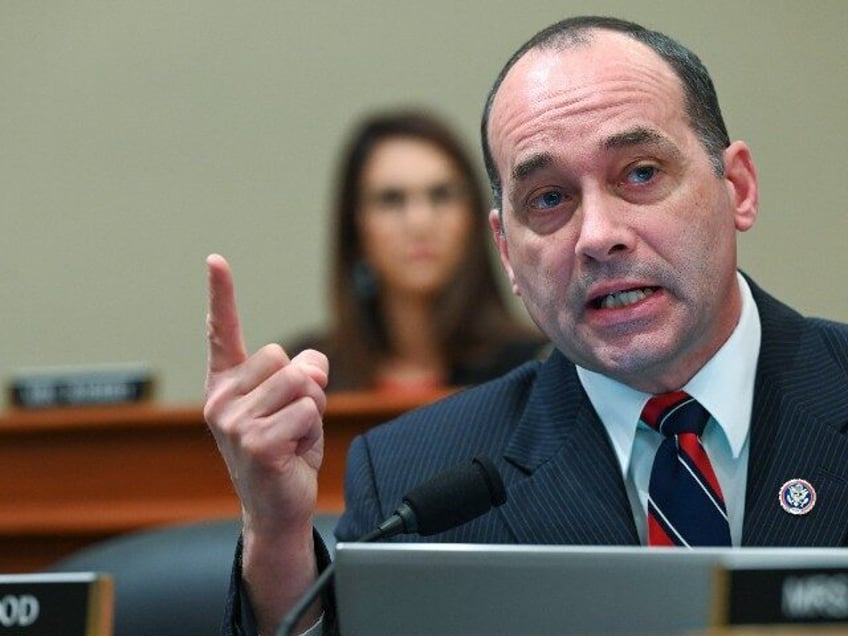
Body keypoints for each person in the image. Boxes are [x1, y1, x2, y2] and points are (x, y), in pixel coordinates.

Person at [204, 15, 848, 636]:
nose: (598, 237)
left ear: (737, 187)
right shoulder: (413, 483)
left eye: (642, 173)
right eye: (549, 199)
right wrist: (277, 537)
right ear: (507, 252)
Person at [285, 109, 547, 392]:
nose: (419, 222)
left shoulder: (536, 368)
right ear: (355, 228)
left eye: (441, 195)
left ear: (476, 218)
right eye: (391, 200)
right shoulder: (310, 375)